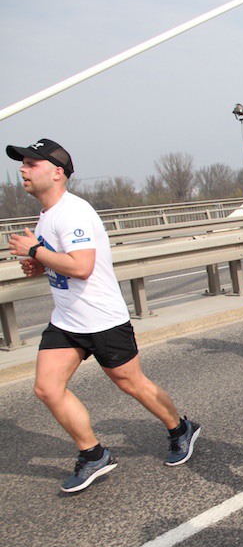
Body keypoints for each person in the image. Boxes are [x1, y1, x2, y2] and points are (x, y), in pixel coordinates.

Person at [6, 139, 200, 492]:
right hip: (67, 321)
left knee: (132, 383)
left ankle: (180, 428)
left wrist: (34, 249)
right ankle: (93, 454)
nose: (23, 169)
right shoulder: (48, 214)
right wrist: (39, 263)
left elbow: (82, 266)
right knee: (47, 388)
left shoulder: (73, 212)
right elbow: (63, 263)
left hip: (102, 319)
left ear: (57, 173)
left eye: (31, 164)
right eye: (23, 163)